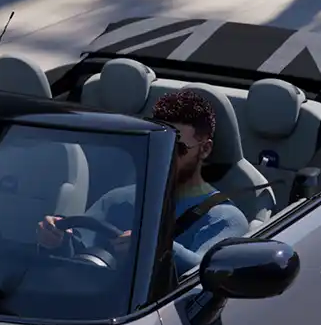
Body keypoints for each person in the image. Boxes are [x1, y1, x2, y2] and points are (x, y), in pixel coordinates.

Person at [38, 88, 249, 274]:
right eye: (159, 146)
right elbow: (78, 251)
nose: (165, 157)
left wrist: (153, 247)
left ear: (205, 149)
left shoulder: (225, 219)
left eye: (178, 149)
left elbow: (203, 275)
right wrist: (56, 239)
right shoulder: (118, 199)